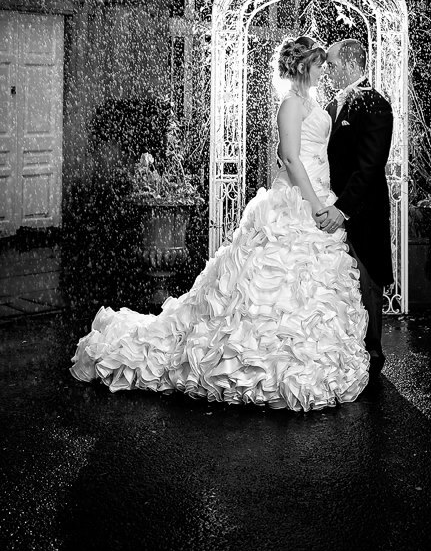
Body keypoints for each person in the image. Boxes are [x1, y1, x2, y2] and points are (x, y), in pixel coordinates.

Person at [70, 35, 369, 412]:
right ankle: (258, 365)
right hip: (299, 202)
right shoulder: (291, 105)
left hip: (318, 195)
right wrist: (313, 205)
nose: (323, 68)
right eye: (317, 63)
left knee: (309, 293)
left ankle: (305, 363)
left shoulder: (314, 103)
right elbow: (291, 158)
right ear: (302, 66)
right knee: (266, 288)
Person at [316, 39, 394, 376]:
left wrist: (342, 208)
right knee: (339, 284)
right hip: (331, 207)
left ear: (349, 65)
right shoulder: (333, 106)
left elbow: (370, 166)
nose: (327, 72)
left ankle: (372, 357)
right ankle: (345, 354)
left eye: (331, 65)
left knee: (366, 282)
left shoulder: (374, 103)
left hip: (361, 213)